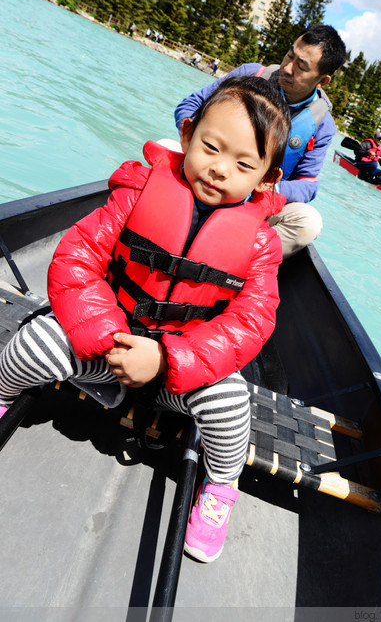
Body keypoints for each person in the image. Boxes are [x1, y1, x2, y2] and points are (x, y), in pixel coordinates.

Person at [0, 75, 291, 564]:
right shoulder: (136, 193)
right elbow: (76, 259)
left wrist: (165, 358)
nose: (220, 170)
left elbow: (251, 322)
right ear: (186, 135)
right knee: (34, 343)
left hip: (178, 377)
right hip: (104, 349)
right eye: (211, 147)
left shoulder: (261, 245)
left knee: (232, 403)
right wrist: (106, 335)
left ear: (266, 180)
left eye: (243, 164)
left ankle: (221, 487)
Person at [175, 24, 347, 258]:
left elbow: (308, 184)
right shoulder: (249, 73)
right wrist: (204, 147)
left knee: (308, 222)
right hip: (209, 171)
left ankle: (236, 258)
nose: (287, 68)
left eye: (301, 67)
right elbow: (189, 106)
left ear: (322, 80)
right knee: (167, 146)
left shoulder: (323, 125)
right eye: (290, 55)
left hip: (257, 198)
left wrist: (257, 183)